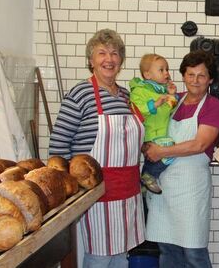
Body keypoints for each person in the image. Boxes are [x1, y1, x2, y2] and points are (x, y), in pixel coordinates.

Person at [49, 29, 144, 267]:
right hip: (95, 194)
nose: (108, 59)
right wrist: (66, 191)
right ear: (91, 61)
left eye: (114, 53)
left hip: (127, 192)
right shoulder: (80, 94)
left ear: (121, 61)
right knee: (99, 257)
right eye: (101, 53)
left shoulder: (126, 96)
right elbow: (58, 146)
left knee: (122, 257)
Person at [144, 50, 219, 268]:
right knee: (167, 251)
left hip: (191, 189)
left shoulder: (213, 106)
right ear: (182, 76)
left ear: (210, 80)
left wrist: (160, 152)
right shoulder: (173, 101)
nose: (195, 81)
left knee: (193, 253)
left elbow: (199, 144)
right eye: (190, 74)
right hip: (164, 187)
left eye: (201, 76)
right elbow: (151, 125)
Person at [130, 53, 178, 194]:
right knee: (169, 153)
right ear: (147, 74)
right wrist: (155, 104)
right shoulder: (139, 90)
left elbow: (170, 109)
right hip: (150, 134)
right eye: (161, 70)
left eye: (167, 69)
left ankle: (147, 179)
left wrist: (172, 95)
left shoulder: (161, 90)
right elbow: (137, 110)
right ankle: (148, 175)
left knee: (170, 153)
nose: (167, 73)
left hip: (161, 133)